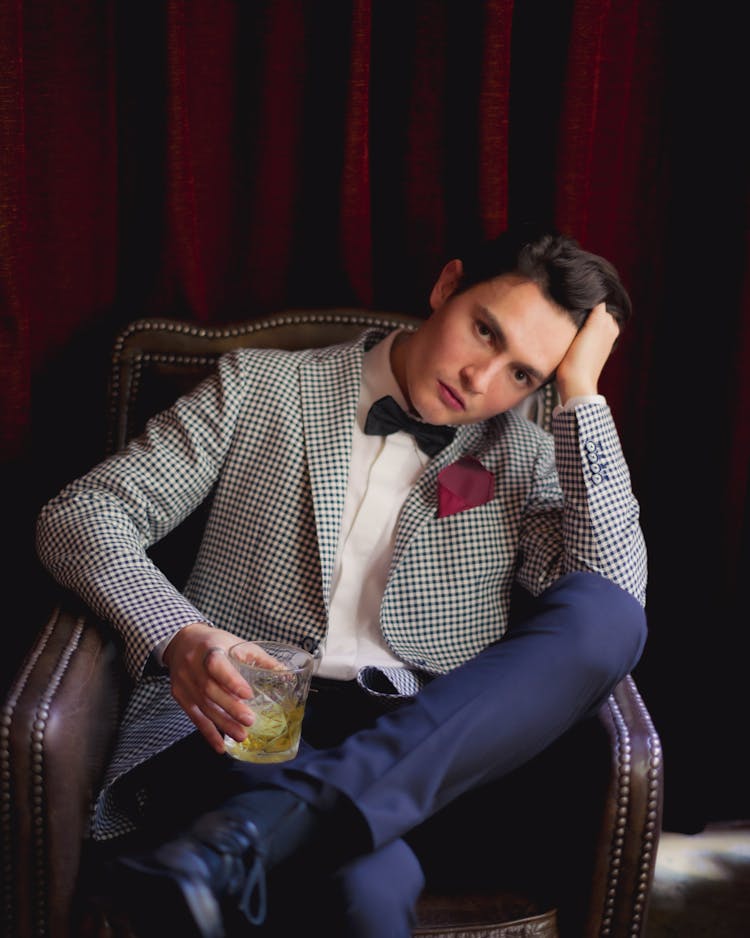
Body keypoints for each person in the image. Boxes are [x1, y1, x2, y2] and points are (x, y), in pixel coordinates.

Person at [36, 224, 648, 937]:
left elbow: (614, 602)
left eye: (523, 375)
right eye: (484, 332)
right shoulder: (259, 385)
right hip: (254, 718)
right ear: (446, 286)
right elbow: (82, 511)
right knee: (364, 886)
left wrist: (580, 398)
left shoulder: (529, 457)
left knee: (608, 614)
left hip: (433, 747)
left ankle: (255, 835)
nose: (482, 380)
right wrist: (178, 635)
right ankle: (264, 827)